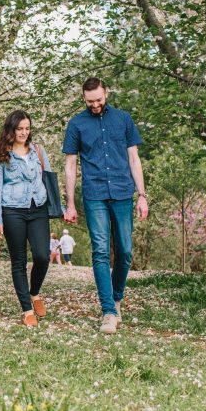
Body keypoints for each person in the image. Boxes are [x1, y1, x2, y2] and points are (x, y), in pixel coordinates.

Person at [62, 77, 148, 335]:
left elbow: (134, 158)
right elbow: (70, 165)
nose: (95, 105)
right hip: (94, 194)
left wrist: (142, 195)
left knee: (125, 252)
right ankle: (108, 311)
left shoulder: (123, 119)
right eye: (90, 101)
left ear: (106, 94)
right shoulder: (76, 124)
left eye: (98, 100)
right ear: (84, 99)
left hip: (123, 192)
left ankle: (117, 298)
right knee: (100, 251)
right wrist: (70, 204)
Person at [0, 110, 51, 327]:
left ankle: (35, 293)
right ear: (11, 130)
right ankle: (26, 309)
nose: (24, 132)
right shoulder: (0, 157)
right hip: (12, 210)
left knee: (43, 256)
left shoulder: (38, 151)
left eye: (27, 128)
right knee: (19, 261)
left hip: (38, 207)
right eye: (20, 129)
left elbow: (48, 179)